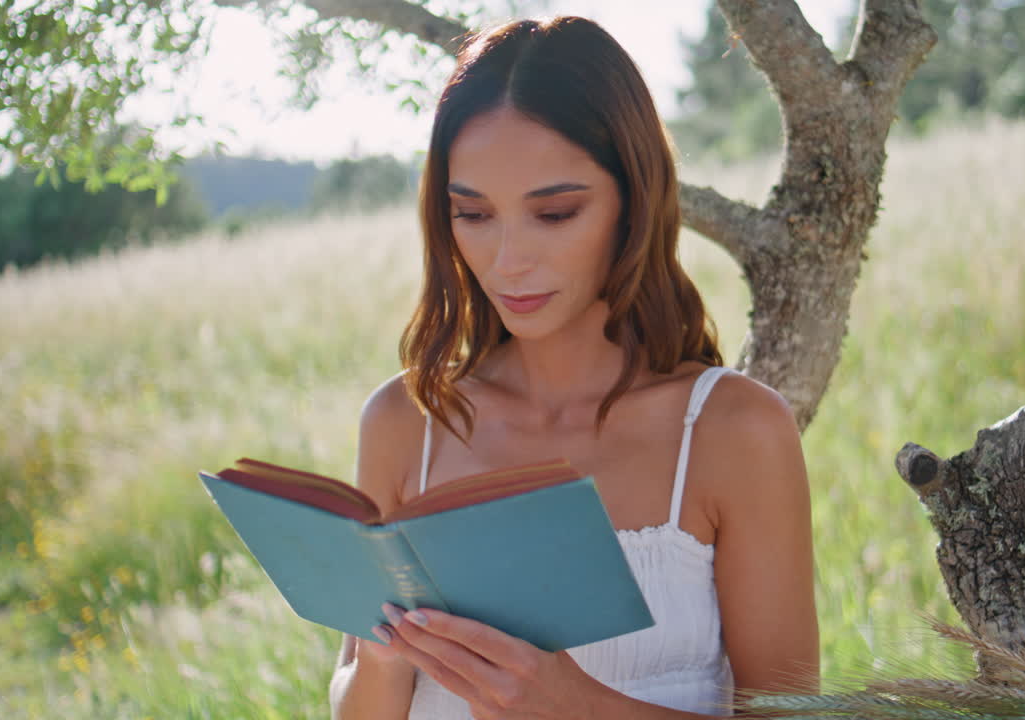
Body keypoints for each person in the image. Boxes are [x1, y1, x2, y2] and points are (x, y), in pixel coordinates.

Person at [329, 15, 817, 720]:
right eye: (473, 214)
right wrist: (386, 648)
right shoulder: (408, 422)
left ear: (633, 200)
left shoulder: (732, 430)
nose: (508, 260)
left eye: (554, 214)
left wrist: (569, 704)